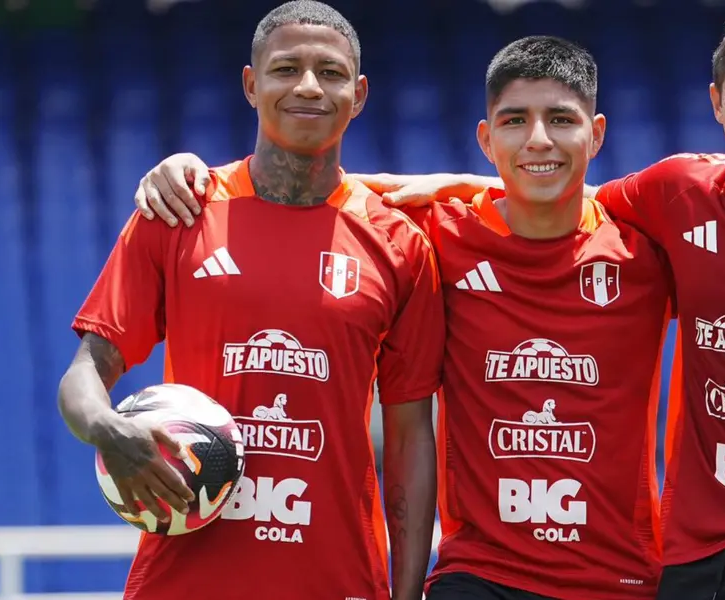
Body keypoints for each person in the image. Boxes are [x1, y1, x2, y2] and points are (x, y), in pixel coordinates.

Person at [328, 5, 725, 599]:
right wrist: (471, 182)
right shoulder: (676, 192)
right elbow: (558, 197)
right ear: (716, 103)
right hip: (692, 565)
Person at [56, 2, 443, 600]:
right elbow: (86, 372)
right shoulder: (178, 211)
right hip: (182, 582)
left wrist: (410, 591)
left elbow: (412, 437)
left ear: (359, 93)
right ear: (251, 83)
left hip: (337, 578)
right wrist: (107, 429)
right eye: (287, 68)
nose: (309, 87)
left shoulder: (398, 242)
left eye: (332, 73)